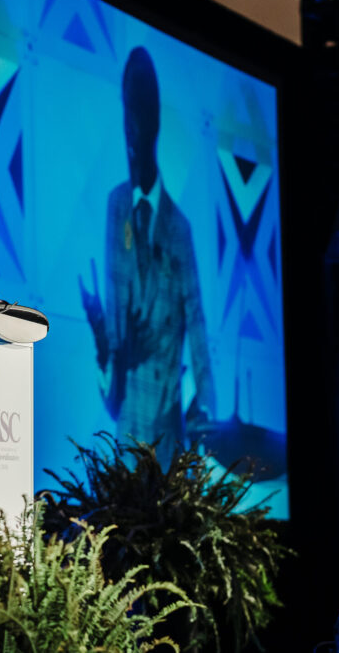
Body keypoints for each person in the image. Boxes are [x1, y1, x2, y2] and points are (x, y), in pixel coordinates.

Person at [79, 48, 215, 461]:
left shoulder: (180, 228)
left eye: (140, 114)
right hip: (125, 428)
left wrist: (206, 406)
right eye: (127, 115)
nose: (132, 131)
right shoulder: (115, 206)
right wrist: (103, 336)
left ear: (154, 121)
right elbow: (117, 347)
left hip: (168, 433)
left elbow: (197, 326)